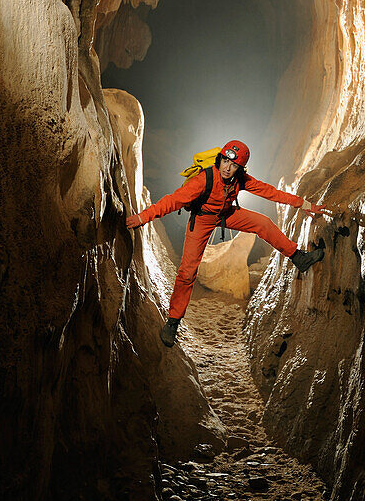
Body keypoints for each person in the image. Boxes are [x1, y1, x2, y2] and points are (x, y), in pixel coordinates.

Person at [126, 139, 329, 346]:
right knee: (187, 273)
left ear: (240, 169)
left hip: (226, 214)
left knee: (263, 223)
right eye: (225, 162)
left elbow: (270, 192)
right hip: (202, 219)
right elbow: (172, 201)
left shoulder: (240, 179)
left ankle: (298, 257)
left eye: (233, 166)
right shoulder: (203, 180)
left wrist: (303, 204)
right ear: (220, 159)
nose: (227, 168)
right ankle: (173, 321)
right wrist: (143, 218)